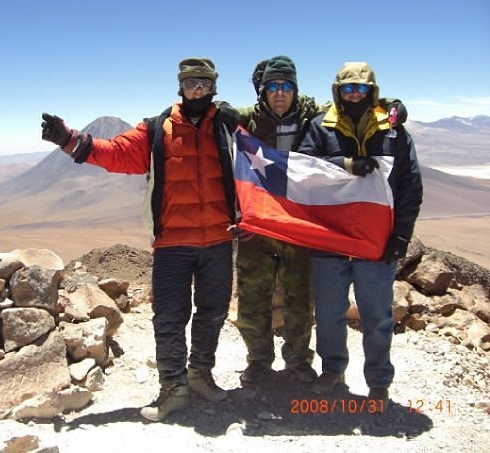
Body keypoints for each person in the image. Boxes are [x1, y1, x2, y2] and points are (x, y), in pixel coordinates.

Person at [41, 58, 237, 422]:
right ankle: (173, 388)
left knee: (212, 314)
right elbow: (116, 153)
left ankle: (200, 376)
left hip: (219, 242)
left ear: (214, 87)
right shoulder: (156, 129)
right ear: (180, 87)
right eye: (191, 83)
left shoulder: (228, 126)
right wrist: (70, 141)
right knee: (169, 318)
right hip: (172, 245)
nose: (197, 90)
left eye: (204, 84)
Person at [297, 62, 423, 406]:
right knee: (328, 312)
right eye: (348, 88)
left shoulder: (393, 131)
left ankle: (379, 381)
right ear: (337, 91)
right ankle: (332, 371)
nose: (355, 94)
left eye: (362, 89)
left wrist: (401, 237)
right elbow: (303, 169)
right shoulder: (320, 127)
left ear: (373, 92)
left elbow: (410, 186)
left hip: (376, 241)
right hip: (331, 239)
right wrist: (345, 165)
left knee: (377, 315)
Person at [232, 56, 319, 385]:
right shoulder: (248, 119)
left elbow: (354, 104)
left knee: (300, 297)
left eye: (286, 86)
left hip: (299, 226)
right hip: (259, 227)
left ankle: (298, 360)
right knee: (253, 299)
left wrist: (389, 108)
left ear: (295, 90)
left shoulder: (314, 115)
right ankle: (258, 361)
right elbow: (210, 110)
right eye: (272, 86)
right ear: (263, 90)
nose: (279, 93)